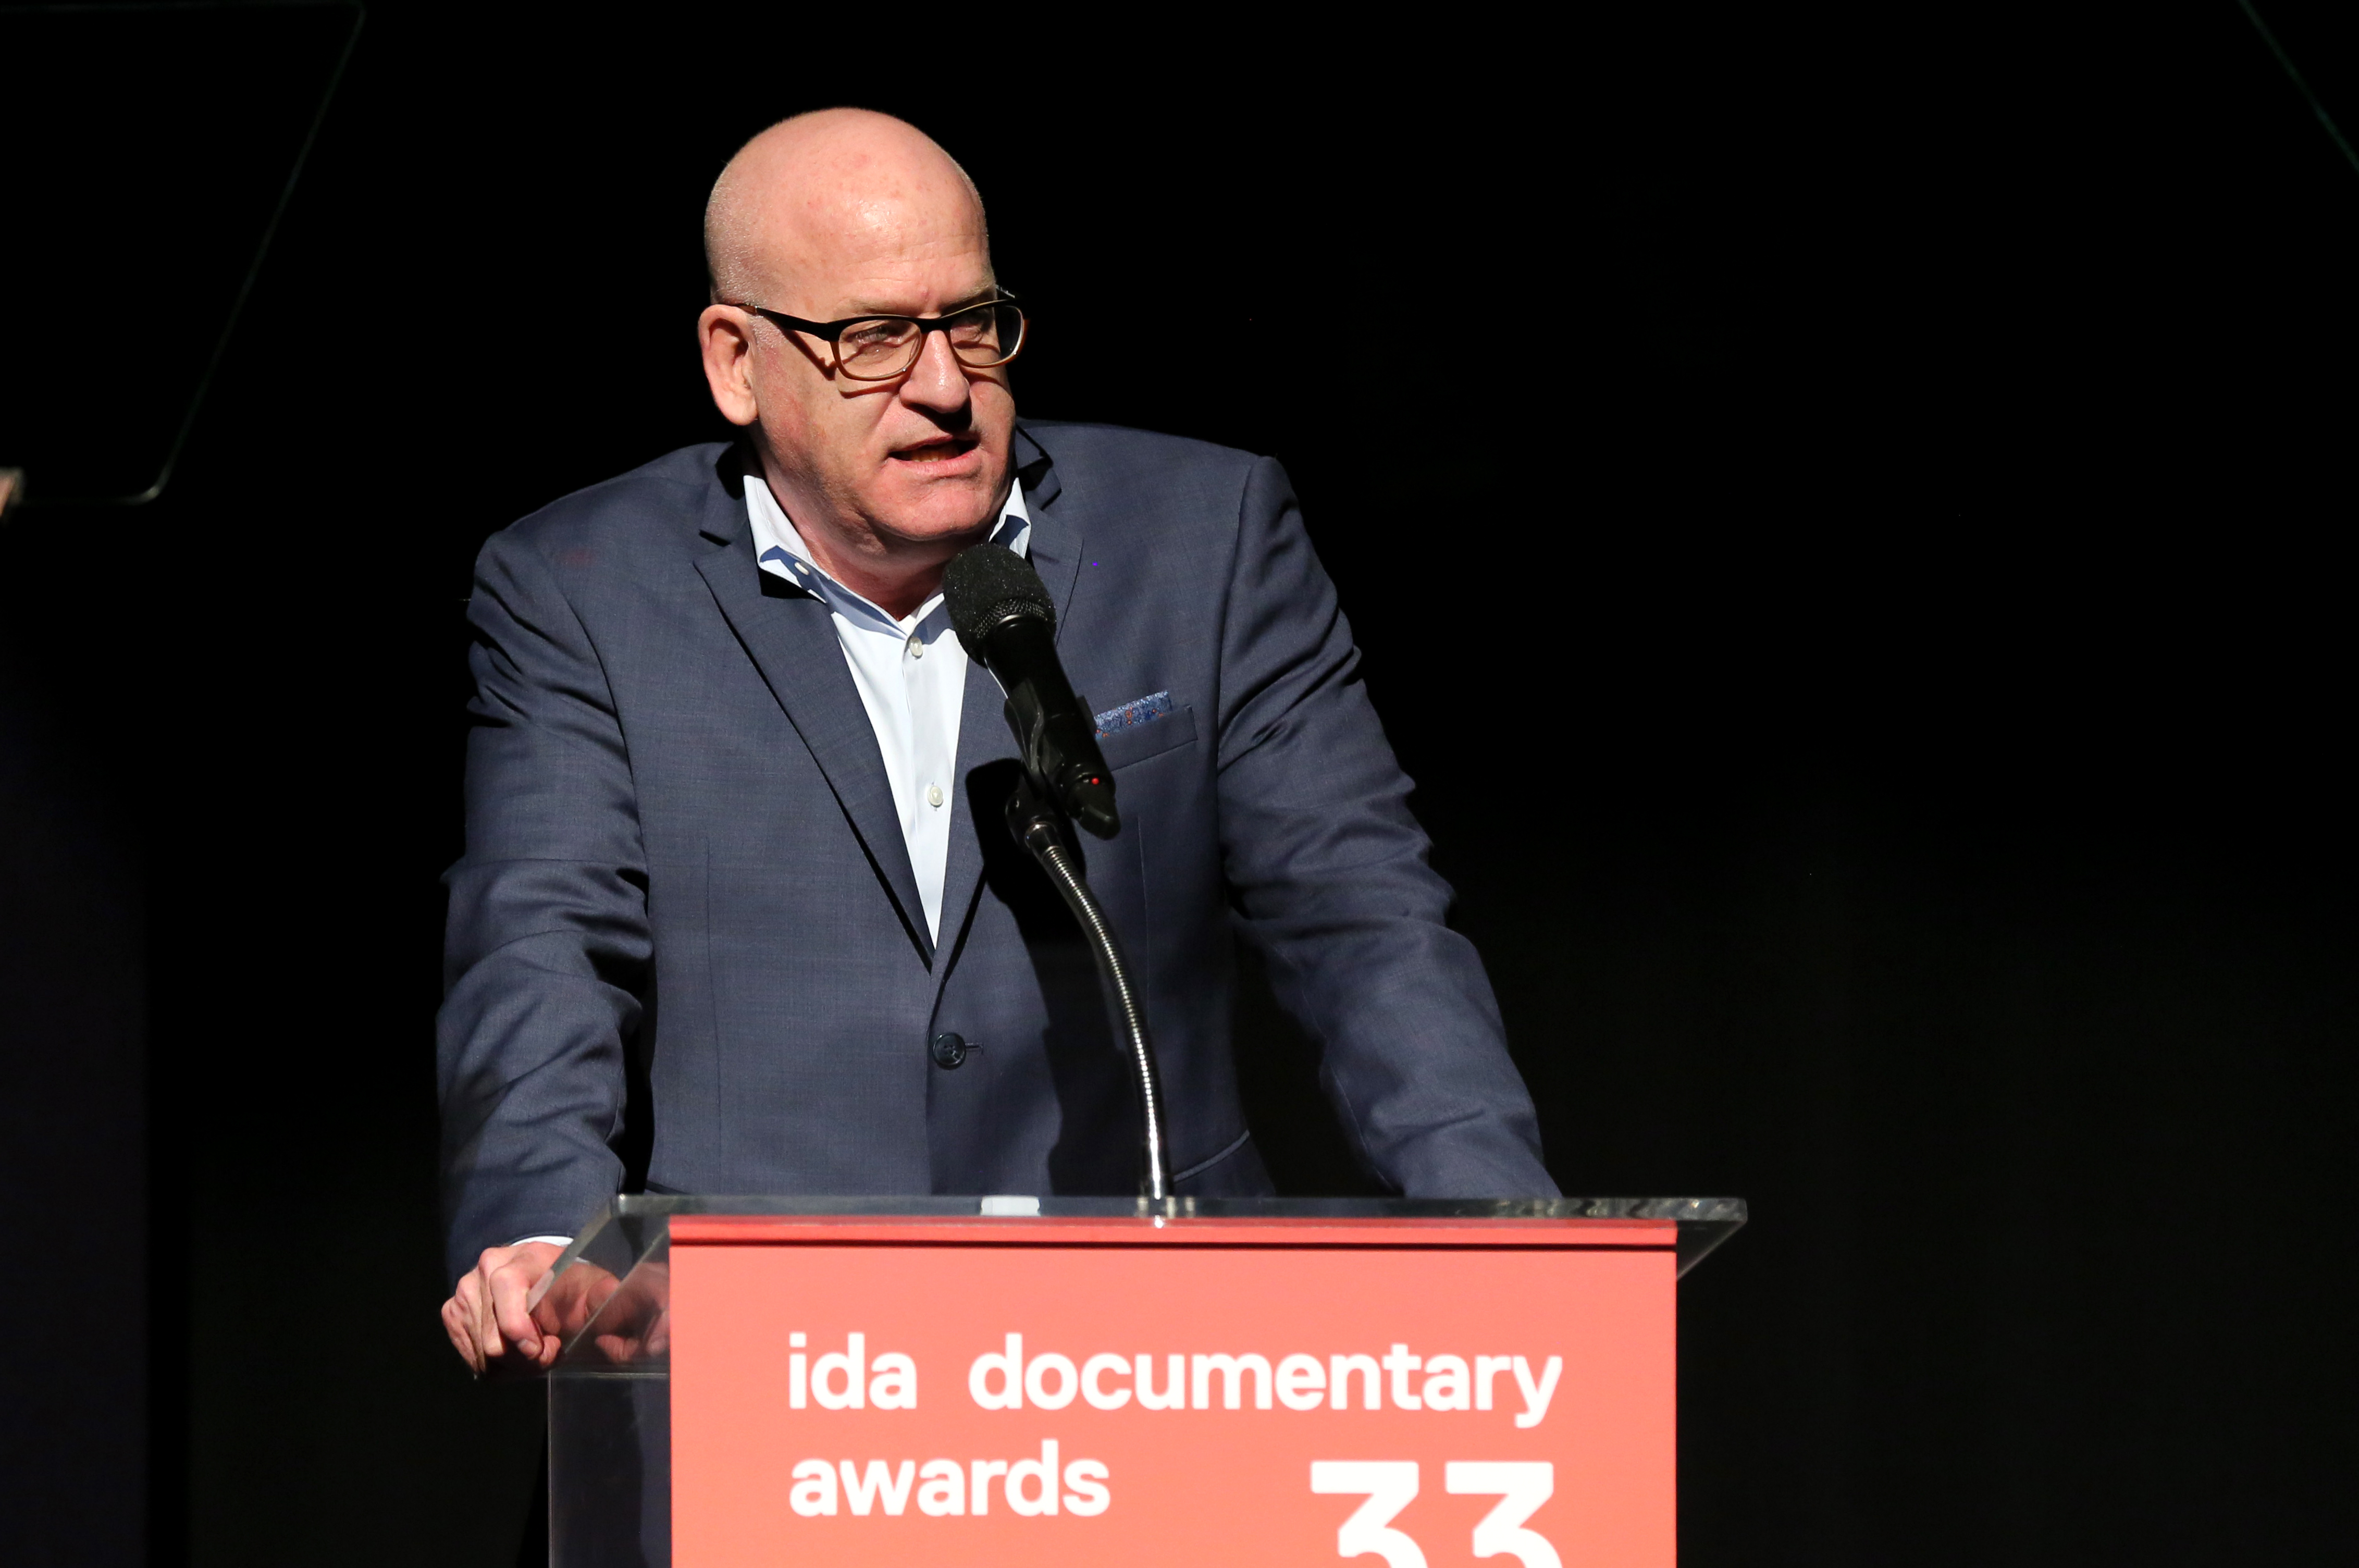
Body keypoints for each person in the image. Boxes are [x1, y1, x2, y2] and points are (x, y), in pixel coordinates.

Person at [439, 109, 1554, 1376]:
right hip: (759, 1371)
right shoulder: (582, 589)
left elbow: (1363, 921)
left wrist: (1505, 1228)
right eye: (873, 339)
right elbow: (541, 947)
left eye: (972, 323)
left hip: (1156, 1357)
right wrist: (548, 1238)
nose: (944, 387)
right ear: (736, 361)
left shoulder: (1204, 539)